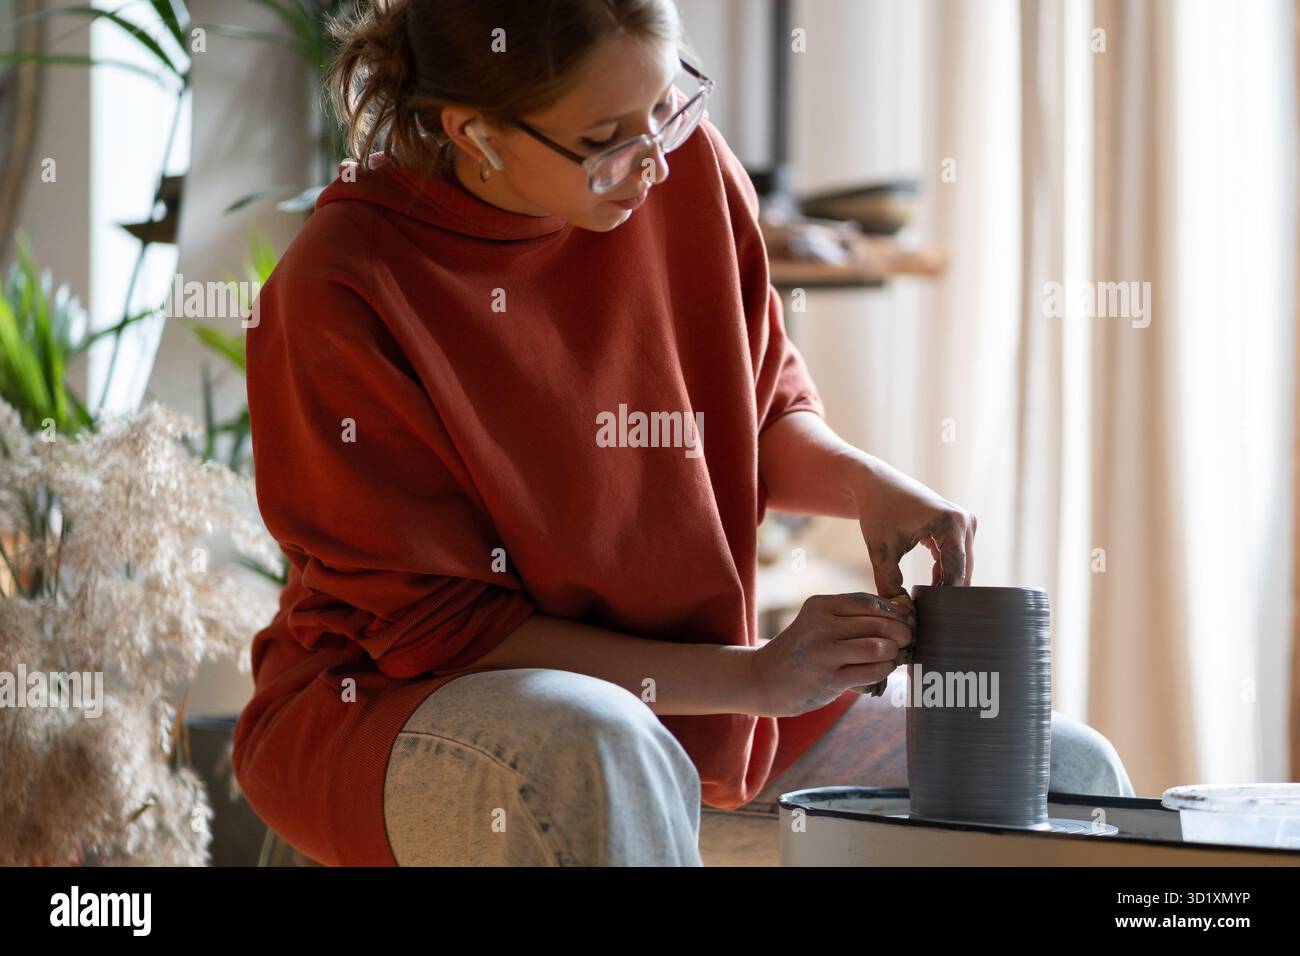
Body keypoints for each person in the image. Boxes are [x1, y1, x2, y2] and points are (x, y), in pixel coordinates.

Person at [231, 0, 1134, 867]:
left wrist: (868, 486)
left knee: (1072, 773)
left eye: (664, 104)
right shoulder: (343, 286)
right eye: (605, 141)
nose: (653, 161)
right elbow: (446, 632)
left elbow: (762, 415)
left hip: (694, 704)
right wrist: (751, 680)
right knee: (606, 749)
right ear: (477, 133)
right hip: (401, 704)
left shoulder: (684, 165)